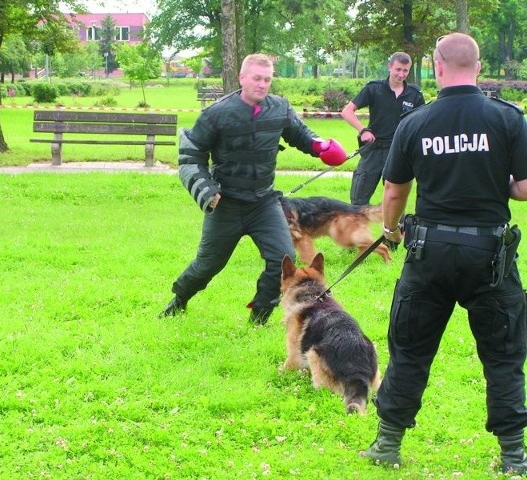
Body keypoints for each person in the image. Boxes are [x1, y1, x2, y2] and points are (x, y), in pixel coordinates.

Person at [362, 32, 527, 474]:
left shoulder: (416, 122)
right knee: (504, 354)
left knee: (411, 350)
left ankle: (387, 445)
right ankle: (513, 456)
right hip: (490, 256)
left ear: (435, 67)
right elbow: (523, 188)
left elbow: (395, 188)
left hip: (429, 252)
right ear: (478, 67)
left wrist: (390, 230)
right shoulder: (509, 118)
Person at [159, 53, 348, 325]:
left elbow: (300, 134)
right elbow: (190, 155)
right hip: (226, 204)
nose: (262, 84)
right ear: (242, 78)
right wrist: (206, 190)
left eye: (267, 79)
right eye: (257, 78)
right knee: (208, 265)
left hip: (264, 203)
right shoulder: (217, 114)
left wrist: (321, 147)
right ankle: (179, 300)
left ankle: (258, 318)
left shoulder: (279, 108)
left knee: (281, 260)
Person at [340, 52, 425, 206]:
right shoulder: (374, 89)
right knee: (358, 201)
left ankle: (393, 231)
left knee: (396, 201)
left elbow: (422, 124)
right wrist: (363, 130)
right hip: (373, 150)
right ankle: (358, 231)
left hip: (398, 152)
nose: (401, 74)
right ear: (389, 67)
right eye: (398, 69)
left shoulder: (415, 95)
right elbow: (347, 111)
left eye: (405, 70)